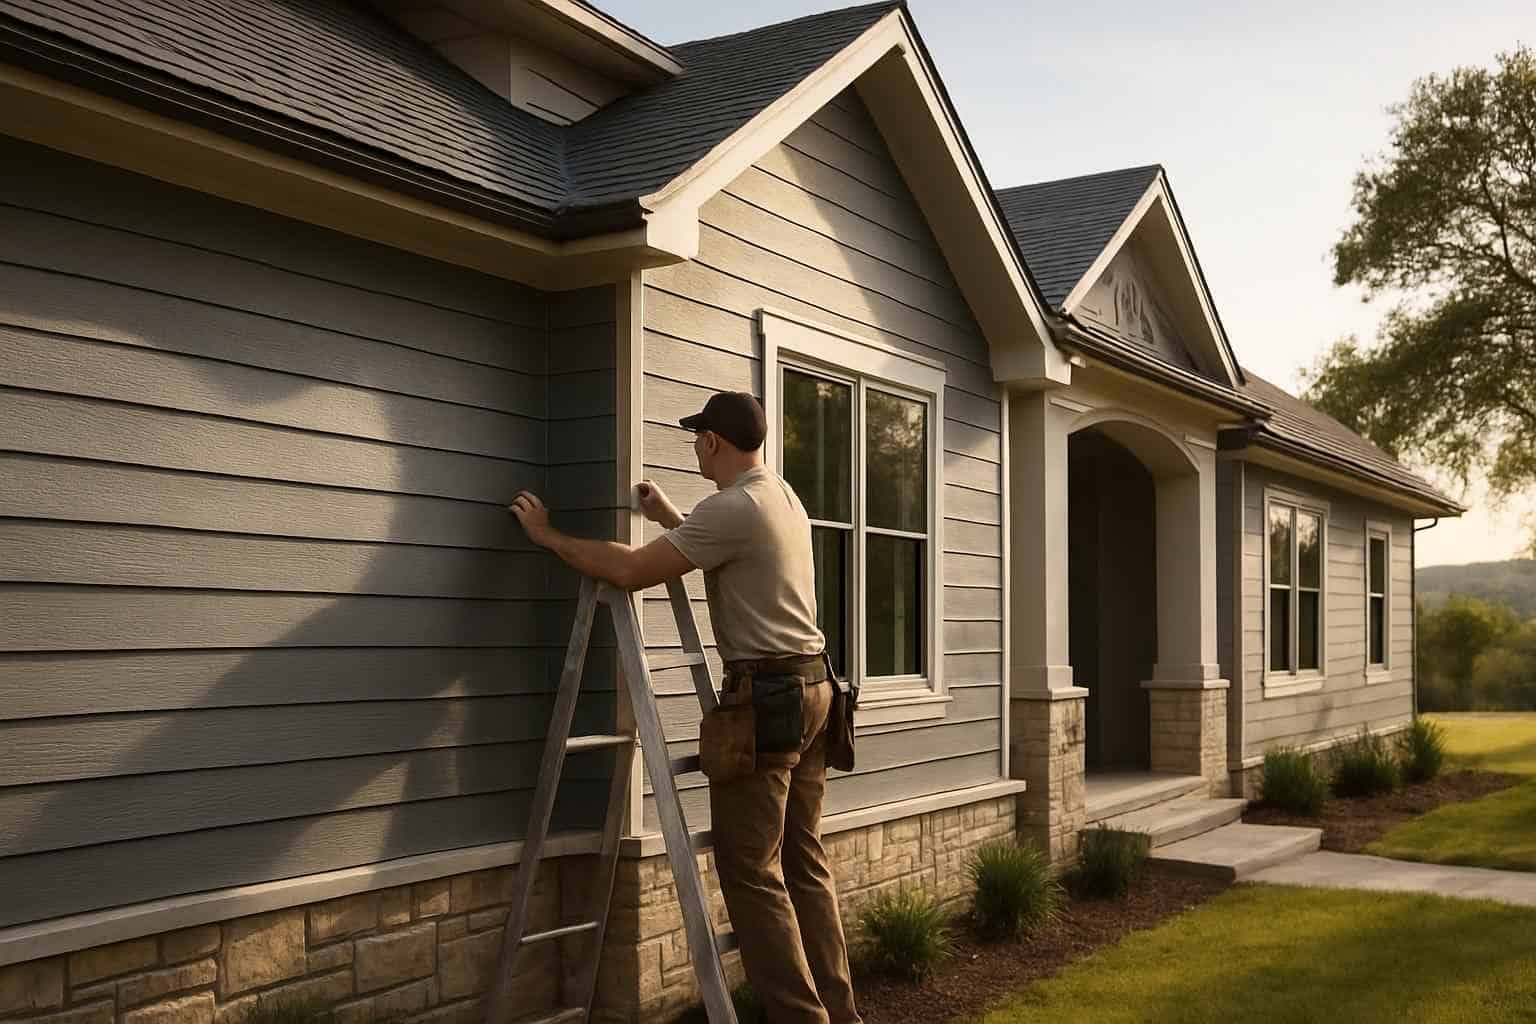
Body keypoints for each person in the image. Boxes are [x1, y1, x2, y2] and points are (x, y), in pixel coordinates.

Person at [508, 390, 861, 1024]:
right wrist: (671, 513)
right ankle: (839, 1010)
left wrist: (546, 535)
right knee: (803, 859)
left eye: (698, 436)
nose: (695, 444)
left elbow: (631, 570)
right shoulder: (779, 495)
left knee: (750, 868)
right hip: (815, 689)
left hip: (769, 700)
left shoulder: (733, 508)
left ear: (713, 443)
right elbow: (720, 545)